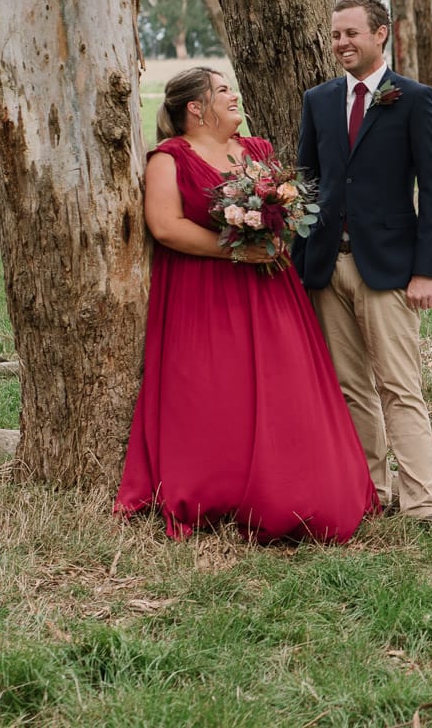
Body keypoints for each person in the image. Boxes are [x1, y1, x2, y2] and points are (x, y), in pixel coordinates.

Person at [116, 67, 378, 543]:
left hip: (270, 289)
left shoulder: (256, 151)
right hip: (204, 293)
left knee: (286, 385)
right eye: (222, 91)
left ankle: (298, 488)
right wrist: (236, 249)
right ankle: (219, 492)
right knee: (215, 392)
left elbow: (285, 206)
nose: (233, 96)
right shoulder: (169, 158)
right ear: (196, 108)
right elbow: (165, 226)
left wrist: (276, 232)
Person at [294, 0, 432, 525]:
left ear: (381, 34)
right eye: (336, 35)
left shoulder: (413, 98)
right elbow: (307, 185)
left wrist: (426, 269)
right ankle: (371, 488)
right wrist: (301, 264)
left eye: (351, 34)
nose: (341, 43)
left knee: (399, 385)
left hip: (389, 268)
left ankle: (420, 500)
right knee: (349, 386)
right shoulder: (317, 101)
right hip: (326, 265)